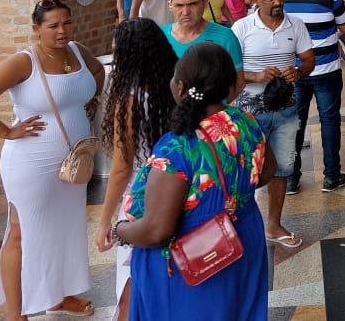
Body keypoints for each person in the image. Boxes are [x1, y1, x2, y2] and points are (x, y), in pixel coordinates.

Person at [0, 0, 105, 320]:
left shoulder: (79, 52)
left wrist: (90, 105)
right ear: (37, 29)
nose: (62, 30)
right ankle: (16, 314)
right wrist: (5, 131)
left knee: (64, 228)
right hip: (31, 163)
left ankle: (58, 295)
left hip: (72, 161)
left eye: (67, 22)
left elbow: (97, 72)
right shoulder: (25, 61)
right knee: (21, 233)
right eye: (53, 26)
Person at [113, 42, 274, 321]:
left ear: (180, 87)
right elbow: (265, 172)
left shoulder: (177, 147)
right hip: (241, 241)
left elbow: (157, 231)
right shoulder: (244, 121)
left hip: (194, 260)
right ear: (229, 86)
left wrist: (120, 231)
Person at [96, 19, 177, 321]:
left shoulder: (129, 98)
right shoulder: (175, 84)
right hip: (178, 189)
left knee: (130, 283)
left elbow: (121, 167)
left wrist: (106, 222)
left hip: (140, 199)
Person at [232, 0, 315, 247]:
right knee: (246, 171)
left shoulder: (296, 25)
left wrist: (299, 71)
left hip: (286, 110)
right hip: (249, 112)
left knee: (282, 168)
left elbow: (308, 60)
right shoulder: (242, 28)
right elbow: (231, 72)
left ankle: (274, 225)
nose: (278, 2)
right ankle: (241, 227)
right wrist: (256, 76)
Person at [283, 0, 345, 195]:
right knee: (330, 120)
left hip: (295, 71)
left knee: (294, 123)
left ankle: (291, 179)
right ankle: (331, 176)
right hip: (327, 69)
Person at [162, 0, 245, 69]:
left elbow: (238, 82)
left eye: (192, 4)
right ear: (170, 5)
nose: (185, 12)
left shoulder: (226, 38)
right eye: (179, 5)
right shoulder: (158, 37)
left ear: (205, 3)